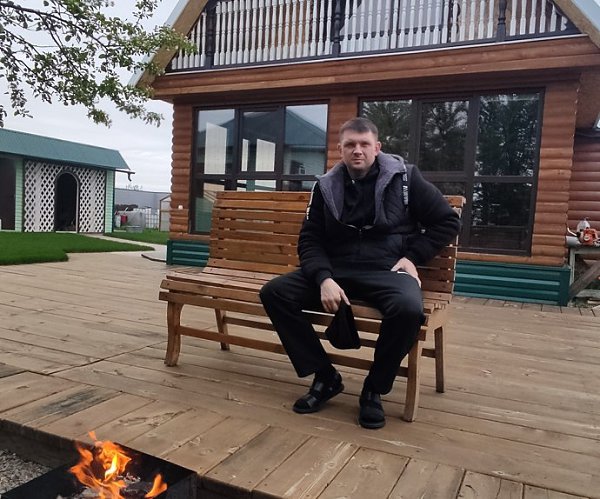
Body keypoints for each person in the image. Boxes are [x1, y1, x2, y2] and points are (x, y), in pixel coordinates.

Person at [259, 117, 460, 429]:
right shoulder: (325, 186)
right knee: (275, 293)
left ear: (377, 148)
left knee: (408, 309)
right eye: (350, 144)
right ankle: (325, 377)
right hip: (337, 269)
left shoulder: (406, 178)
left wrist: (412, 257)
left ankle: (373, 389)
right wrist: (324, 278)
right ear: (340, 149)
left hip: (386, 269)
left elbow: (448, 221)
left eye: (364, 144)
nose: (357, 150)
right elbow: (310, 239)